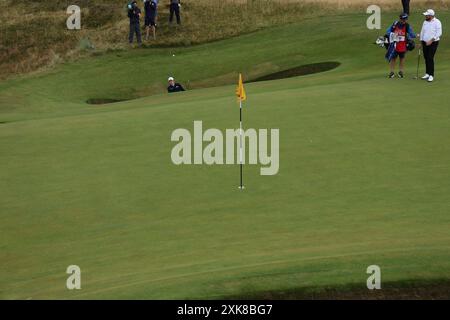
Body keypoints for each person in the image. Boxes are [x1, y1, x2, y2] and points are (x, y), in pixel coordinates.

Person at [385, 13, 416, 78]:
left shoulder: (407, 26)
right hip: (395, 45)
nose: (404, 21)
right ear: (400, 19)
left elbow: (412, 34)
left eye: (405, 19)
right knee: (393, 58)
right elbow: (388, 31)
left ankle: (401, 72)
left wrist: (415, 35)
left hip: (403, 45)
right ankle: (392, 72)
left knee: (402, 58)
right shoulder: (395, 24)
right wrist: (393, 34)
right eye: (403, 19)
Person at [419, 9, 442, 82]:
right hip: (425, 42)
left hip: (434, 42)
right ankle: (427, 73)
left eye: (427, 15)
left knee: (430, 57)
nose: (425, 16)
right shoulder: (425, 22)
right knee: (426, 57)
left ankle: (431, 75)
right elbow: (422, 31)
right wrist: (421, 42)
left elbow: (439, 32)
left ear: (431, 16)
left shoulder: (437, 22)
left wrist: (431, 40)